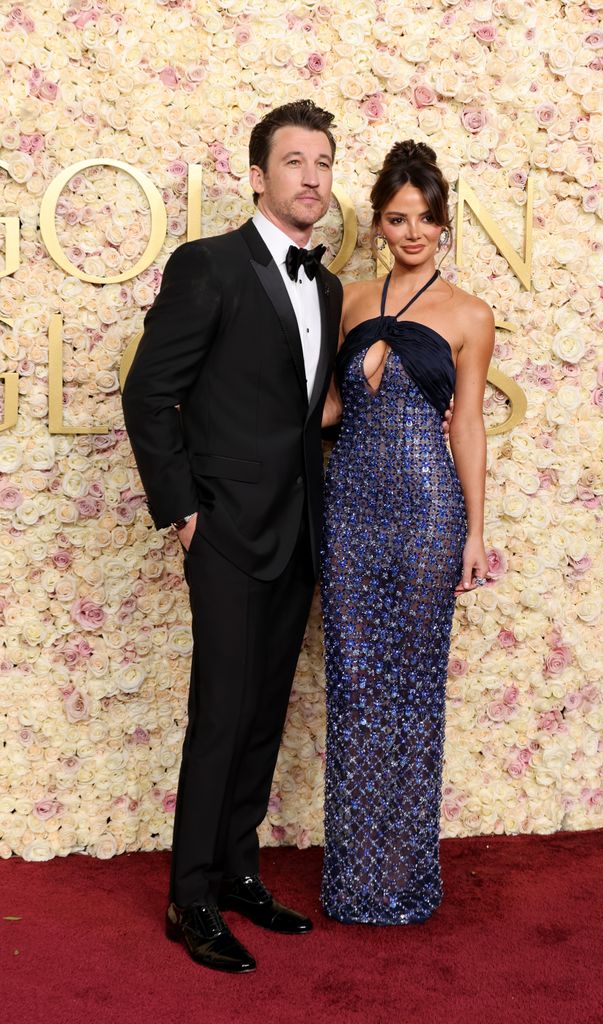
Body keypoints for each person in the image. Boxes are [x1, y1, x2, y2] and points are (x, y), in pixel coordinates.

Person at [122, 100, 343, 972]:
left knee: (261, 715)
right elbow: (149, 393)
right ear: (259, 176)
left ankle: (239, 872)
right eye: (294, 162)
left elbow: (297, 413)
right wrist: (183, 511)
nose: (312, 177)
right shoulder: (208, 265)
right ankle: (190, 897)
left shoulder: (324, 285)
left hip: (298, 533)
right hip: (222, 532)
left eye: (323, 162)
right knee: (219, 715)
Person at [320, 140, 494, 925]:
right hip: (349, 506)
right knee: (355, 686)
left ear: (443, 222)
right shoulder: (350, 299)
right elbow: (324, 410)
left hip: (428, 510)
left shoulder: (469, 314)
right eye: (398, 218)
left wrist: (475, 531)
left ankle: (404, 878)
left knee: (414, 693)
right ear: (380, 223)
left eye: (426, 219)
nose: (413, 231)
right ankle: (356, 882)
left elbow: (470, 428)